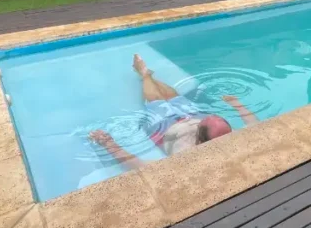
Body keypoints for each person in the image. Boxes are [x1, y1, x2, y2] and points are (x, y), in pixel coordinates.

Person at [88, 54, 258, 170]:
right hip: (191, 115)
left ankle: (145, 74)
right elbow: (254, 125)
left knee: (155, 100)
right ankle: (147, 75)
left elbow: (142, 166)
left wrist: (110, 145)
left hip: (164, 126)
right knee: (174, 96)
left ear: (200, 138)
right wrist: (237, 104)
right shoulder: (232, 137)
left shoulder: (187, 155)